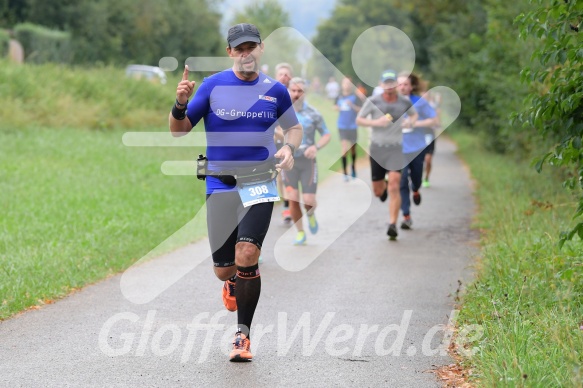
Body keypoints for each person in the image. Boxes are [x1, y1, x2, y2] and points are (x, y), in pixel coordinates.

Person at [168, 23, 302, 362]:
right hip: (220, 184)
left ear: (260, 50)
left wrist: (288, 148)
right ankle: (231, 282)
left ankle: (242, 336)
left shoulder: (276, 90)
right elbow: (179, 131)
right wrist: (180, 104)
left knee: (247, 255)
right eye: (239, 48)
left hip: (260, 182)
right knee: (224, 269)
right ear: (230, 52)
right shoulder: (213, 86)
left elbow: (294, 127)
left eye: (251, 47)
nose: (246, 53)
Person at [356, 69, 417, 240]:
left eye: (392, 83)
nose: (390, 86)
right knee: (378, 191)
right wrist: (376, 122)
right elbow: (359, 120)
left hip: (395, 148)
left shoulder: (404, 101)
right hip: (377, 148)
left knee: (395, 185)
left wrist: (409, 122)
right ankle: (381, 187)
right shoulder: (373, 101)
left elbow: (414, 115)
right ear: (381, 85)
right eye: (386, 83)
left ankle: (392, 224)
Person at [282, 77, 331, 245]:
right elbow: (270, 130)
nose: (296, 94)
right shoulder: (280, 111)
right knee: (293, 197)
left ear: (305, 92)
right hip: (289, 161)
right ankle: (300, 231)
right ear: (288, 91)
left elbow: (326, 134)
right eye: (293, 91)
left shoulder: (314, 113)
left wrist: (315, 147)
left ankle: (310, 214)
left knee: (308, 201)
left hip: (308, 161)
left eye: (300, 91)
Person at [397, 72, 438, 230]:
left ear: (411, 86)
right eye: (399, 84)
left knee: (416, 178)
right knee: (402, 181)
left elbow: (433, 120)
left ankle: (416, 189)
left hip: (417, 147)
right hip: (399, 148)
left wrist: (414, 124)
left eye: (405, 84)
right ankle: (406, 215)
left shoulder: (419, 102)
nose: (402, 87)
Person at [274, 63, 294, 225]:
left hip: (293, 140)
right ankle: (286, 206)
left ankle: (294, 203)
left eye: (287, 74)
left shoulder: (295, 95)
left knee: (292, 175)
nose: (284, 76)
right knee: (281, 175)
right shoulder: (271, 93)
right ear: (276, 76)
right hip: (277, 140)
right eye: (281, 74)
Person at [334, 76, 362, 180]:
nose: (347, 85)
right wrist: (338, 107)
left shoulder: (355, 97)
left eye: (349, 83)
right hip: (342, 126)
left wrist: (352, 106)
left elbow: (360, 110)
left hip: (353, 126)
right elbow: (334, 106)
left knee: (353, 149)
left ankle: (353, 168)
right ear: (342, 85)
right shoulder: (339, 96)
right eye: (345, 83)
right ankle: (345, 173)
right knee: (345, 149)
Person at [423, 89, 441, 187]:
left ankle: (426, 178)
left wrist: (435, 123)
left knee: (428, 159)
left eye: (425, 94)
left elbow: (437, 121)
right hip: (417, 135)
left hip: (429, 134)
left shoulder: (433, 107)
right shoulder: (413, 106)